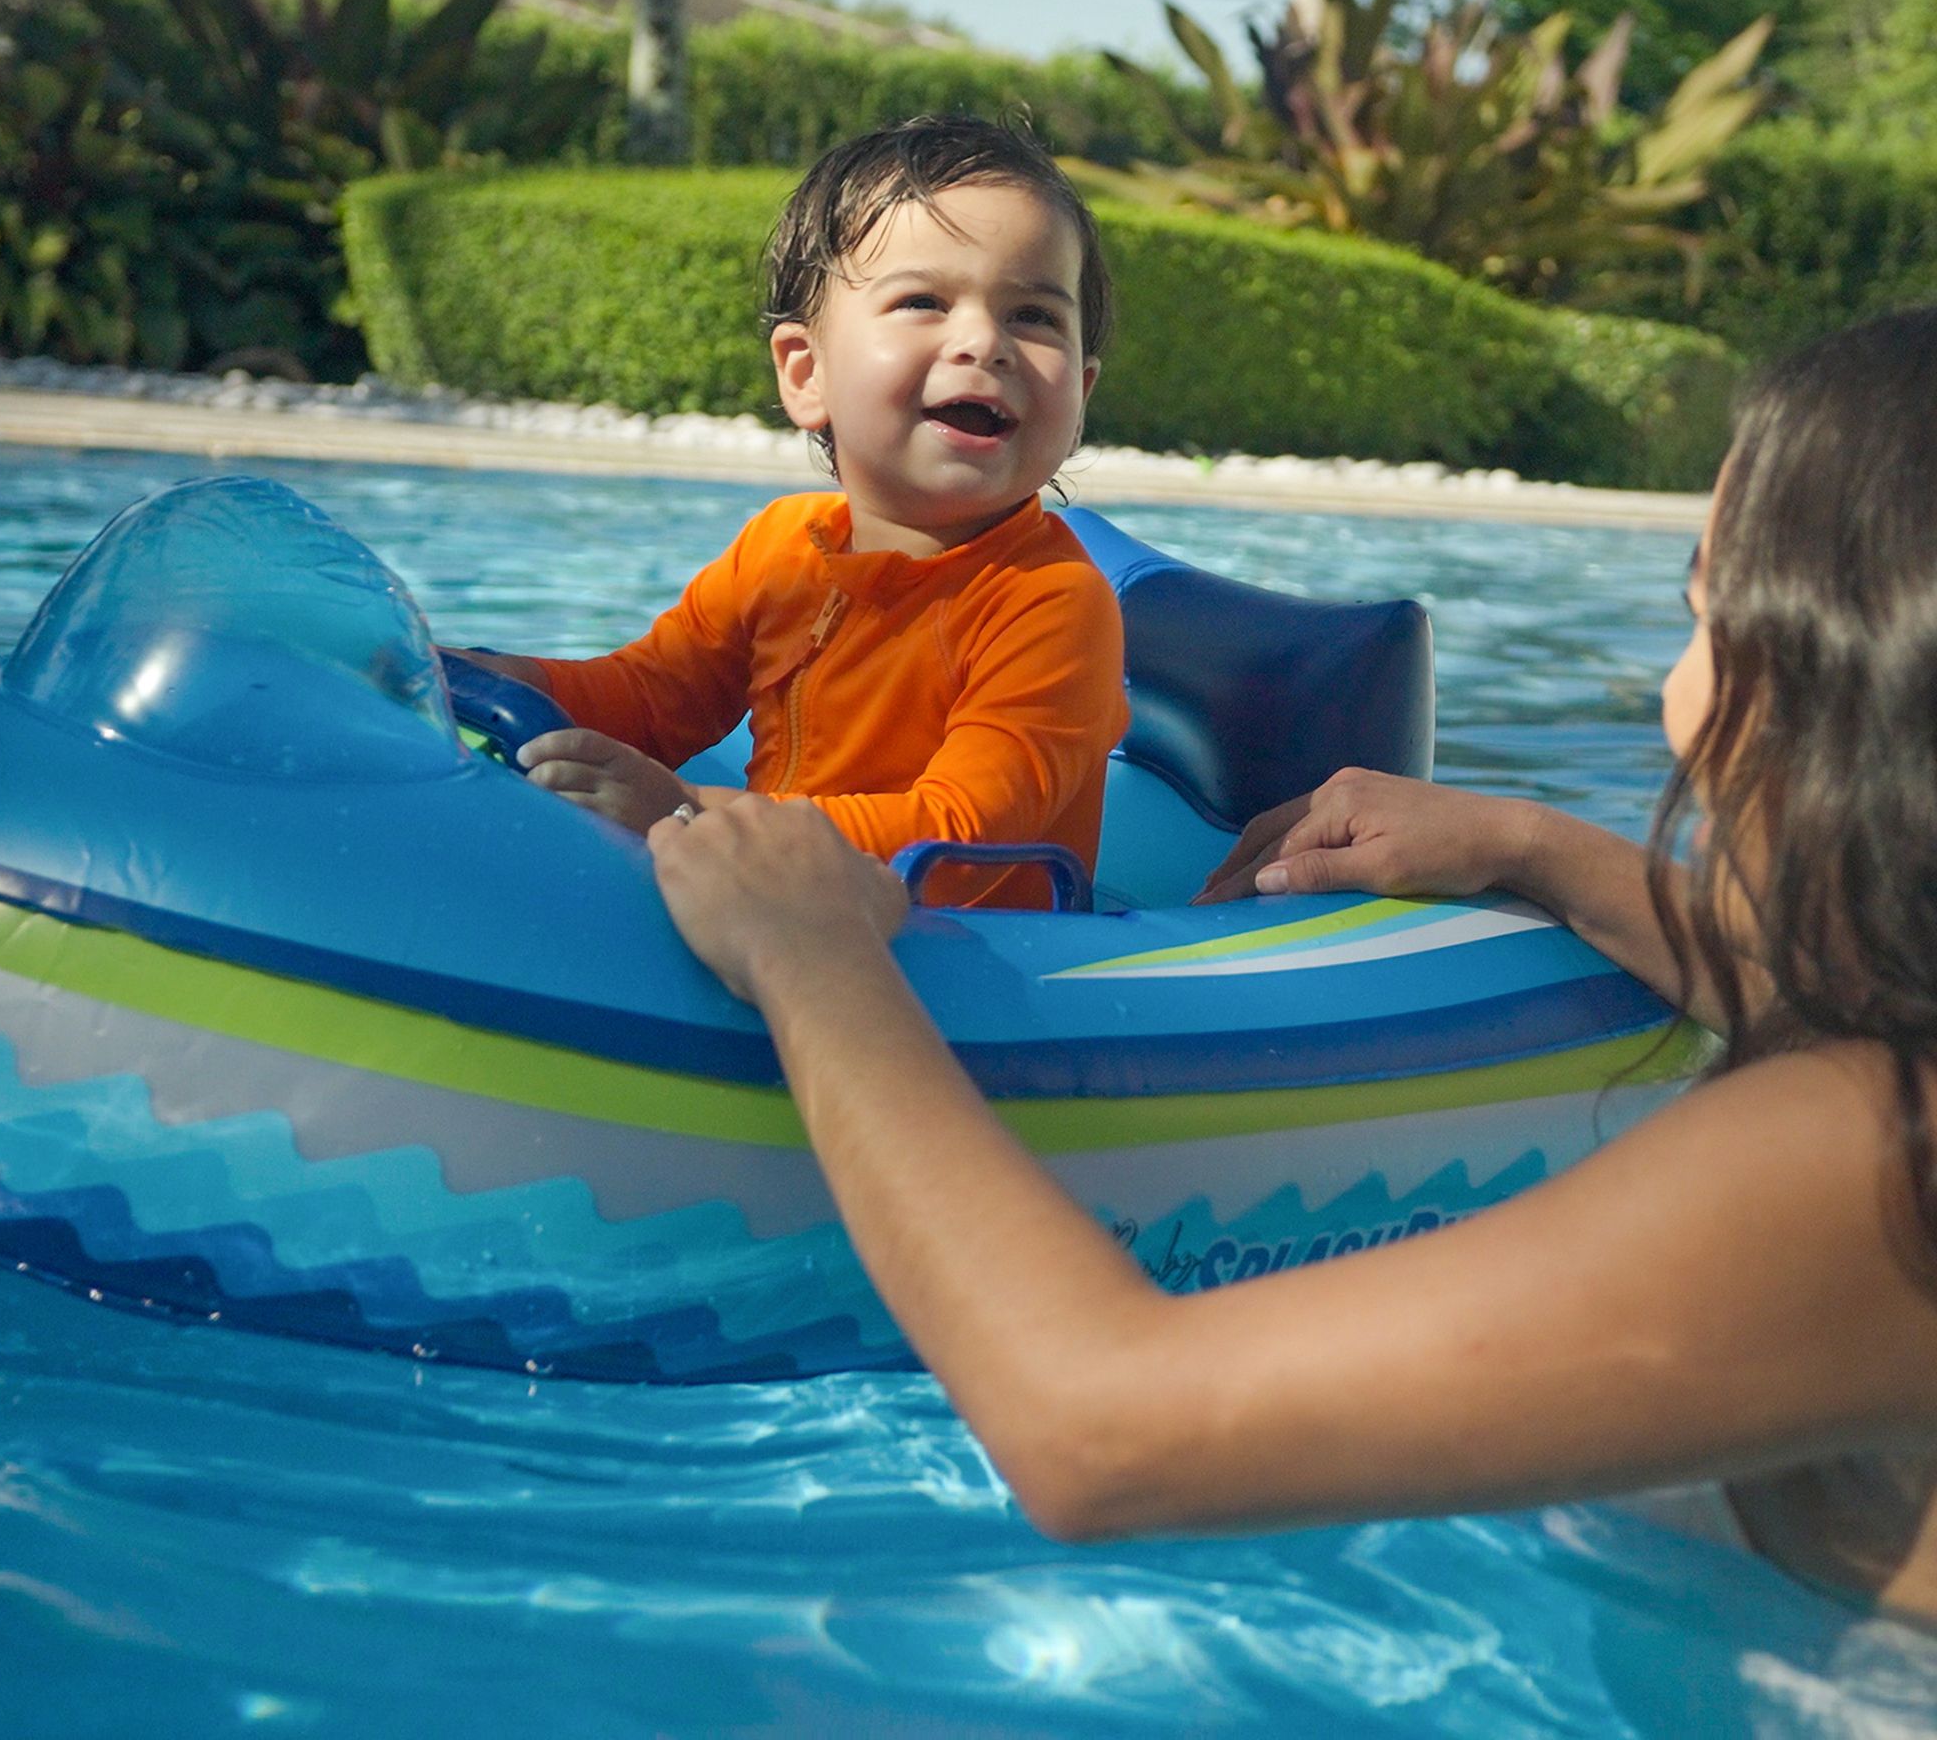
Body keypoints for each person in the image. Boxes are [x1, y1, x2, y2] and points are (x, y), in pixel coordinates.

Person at [642, 308, 1937, 1624]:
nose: (1681, 695)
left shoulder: (1860, 1163)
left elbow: (1101, 1430)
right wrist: (1528, 844)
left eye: (1708, 619)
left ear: (1829, 685)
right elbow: (1822, 978)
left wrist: (819, 968)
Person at [465, 116, 1127, 908]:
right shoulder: (783, 551)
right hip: (789, 899)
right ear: (805, 373)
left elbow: (959, 838)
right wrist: (476, 675)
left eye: (1034, 316)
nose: (984, 342)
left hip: (967, 964)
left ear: (1080, 393)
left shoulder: (1050, 604)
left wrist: (684, 815)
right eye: (923, 300)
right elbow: (643, 700)